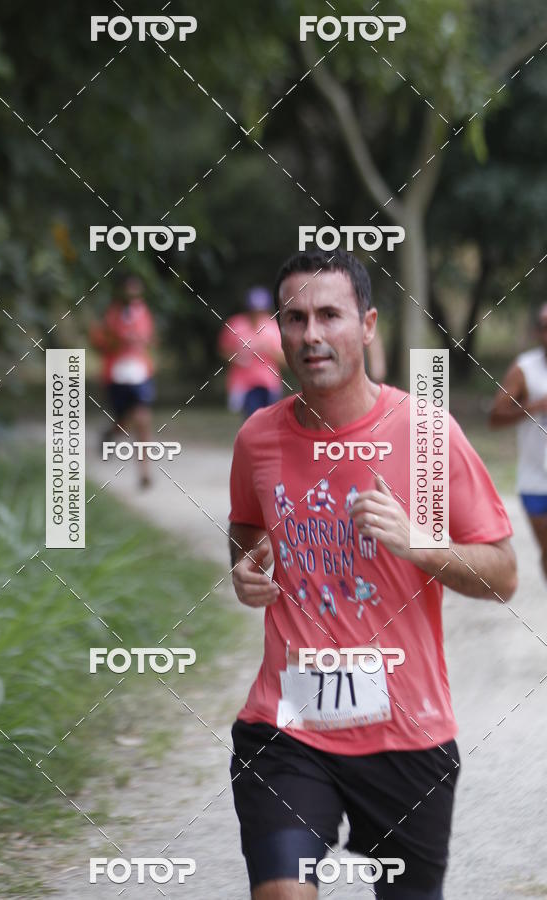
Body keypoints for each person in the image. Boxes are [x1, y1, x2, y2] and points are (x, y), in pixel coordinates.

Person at [227, 249, 516, 900]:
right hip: (287, 728)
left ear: (368, 326)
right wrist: (247, 569)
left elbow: (503, 576)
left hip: (408, 736)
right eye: (294, 318)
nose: (311, 335)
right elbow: (246, 531)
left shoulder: (427, 432)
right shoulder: (258, 439)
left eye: (330, 315)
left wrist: (421, 546)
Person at [489, 302, 547, 580]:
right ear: (538, 332)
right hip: (536, 480)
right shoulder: (524, 370)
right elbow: (495, 417)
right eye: (546, 327)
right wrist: (535, 407)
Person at [90, 274, 157, 487]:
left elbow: (150, 339)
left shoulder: (144, 312)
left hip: (139, 373)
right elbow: (99, 342)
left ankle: (144, 471)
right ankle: (110, 434)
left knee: (142, 419)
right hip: (117, 374)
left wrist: (140, 340)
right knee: (123, 423)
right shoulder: (110, 315)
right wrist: (118, 339)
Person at [218, 286, 285, 419]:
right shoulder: (235, 324)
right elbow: (223, 351)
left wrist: (267, 350)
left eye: (259, 310)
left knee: (268, 420)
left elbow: (284, 360)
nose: (256, 314)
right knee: (252, 418)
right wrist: (237, 357)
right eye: (253, 310)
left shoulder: (272, 327)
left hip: (268, 383)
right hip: (243, 383)